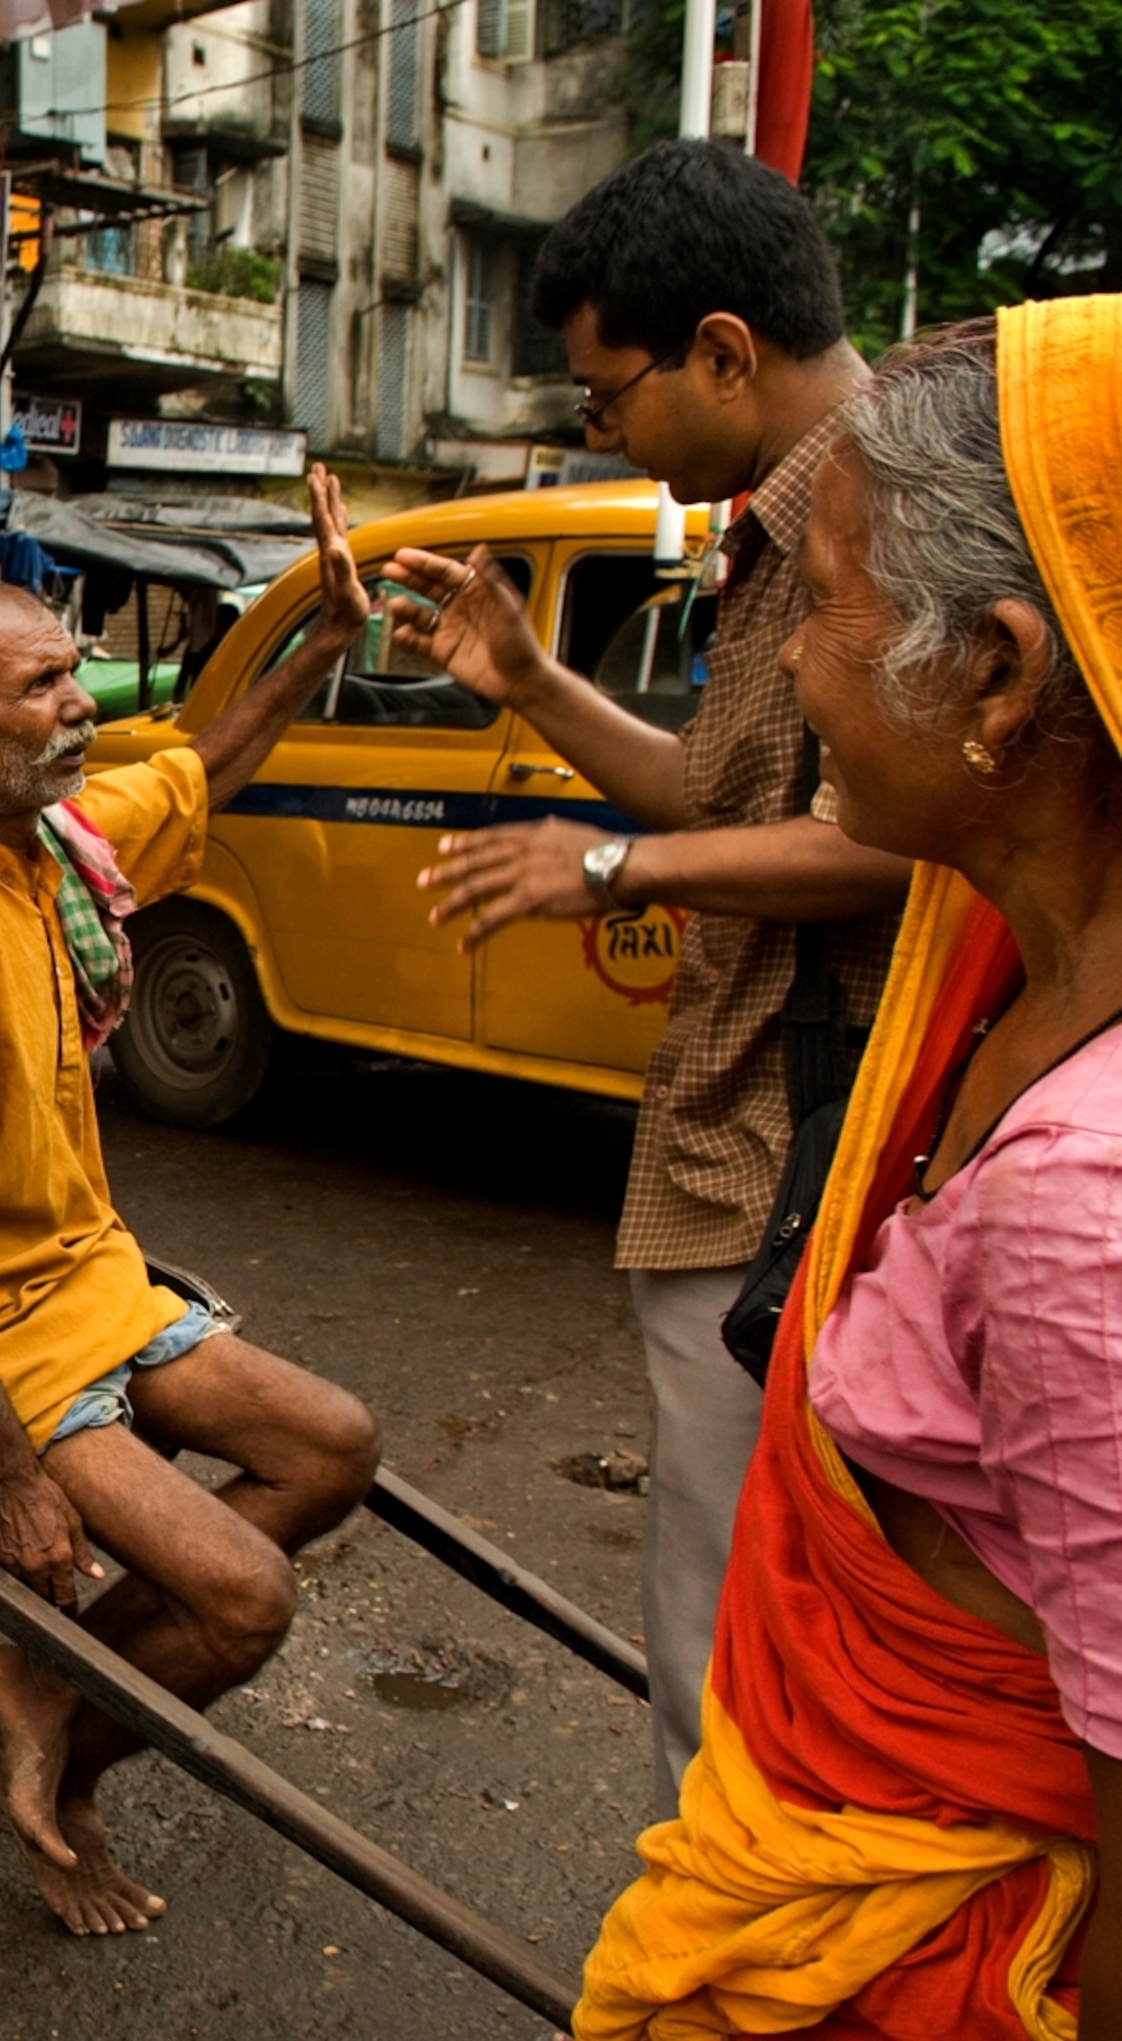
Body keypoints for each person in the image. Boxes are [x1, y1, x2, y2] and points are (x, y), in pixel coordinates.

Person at [577, 303, 1122, 2039]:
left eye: (824, 607)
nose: (799, 665)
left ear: (998, 674)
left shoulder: (1078, 1204)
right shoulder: (1010, 964)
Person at [385, 139, 913, 1811]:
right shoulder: (783, 522)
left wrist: (607, 868)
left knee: (727, 1637)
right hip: (754, 1140)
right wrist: (532, 685)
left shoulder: (886, 511)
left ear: (720, 353)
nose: (594, 430)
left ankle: (729, 1950)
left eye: (603, 394)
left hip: (803, 1148)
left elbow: (894, 834)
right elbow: (722, 790)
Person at [0, 469, 381, 1937]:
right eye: (46, 685)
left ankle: (42, 1683)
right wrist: (6, 1468)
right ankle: (67, 1760)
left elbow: (203, 761)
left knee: (333, 1449)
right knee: (245, 1598)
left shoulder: (44, 839)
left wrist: (322, 639)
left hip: (80, 1275)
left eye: (74, 673)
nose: (82, 707)